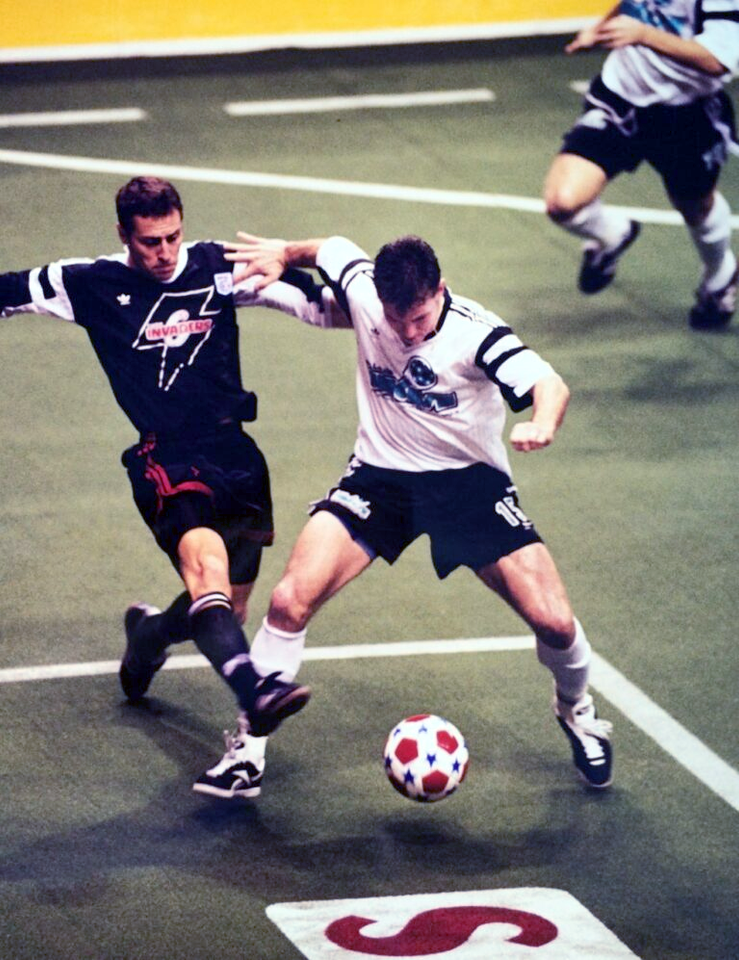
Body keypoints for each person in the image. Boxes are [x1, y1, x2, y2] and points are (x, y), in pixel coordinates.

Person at [193, 229, 614, 799]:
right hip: (381, 477)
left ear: (440, 290)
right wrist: (286, 253)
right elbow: (331, 248)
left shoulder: (475, 333)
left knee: (556, 622)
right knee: (290, 598)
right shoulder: (366, 291)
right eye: (398, 321)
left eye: (419, 319)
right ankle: (248, 747)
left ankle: (578, 711)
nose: (409, 332)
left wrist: (542, 421)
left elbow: (548, 383)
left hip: (468, 486)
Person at [0, 177, 337, 794]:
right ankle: (255, 690)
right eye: (150, 241)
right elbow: (8, 291)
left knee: (226, 608)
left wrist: (374, 315)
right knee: (205, 571)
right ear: (124, 235)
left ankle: (150, 635)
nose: (164, 251)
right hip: (166, 457)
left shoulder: (215, 267)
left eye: (172, 236)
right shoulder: (90, 282)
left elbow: (316, 305)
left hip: (235, 455)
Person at [543, 0, 739, 330]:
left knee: (696, 207)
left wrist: (644, 35)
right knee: (562, 203)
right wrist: (600, 27)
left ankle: (720, 275)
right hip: (619, 99)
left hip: (687, 114)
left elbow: (718, 60)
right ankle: (612, 234)